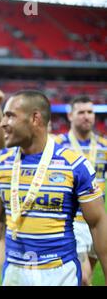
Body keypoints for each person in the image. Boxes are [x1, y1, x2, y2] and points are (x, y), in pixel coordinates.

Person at [0, 90, 107, 286]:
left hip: (60, 272)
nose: (3, 122)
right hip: (14, 271)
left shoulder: (75, 165)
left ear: (35, 118)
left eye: (10, 115)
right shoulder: (3, 163)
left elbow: (98, 224)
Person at [54, 96, 107, 285]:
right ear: (70, 115)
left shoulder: (103, 146)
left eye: (90, 112)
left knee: (87, 277)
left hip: (97, 220)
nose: (87, 117)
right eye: (81, 112)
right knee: (83, 278)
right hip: (73, 221)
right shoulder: (57, 145)